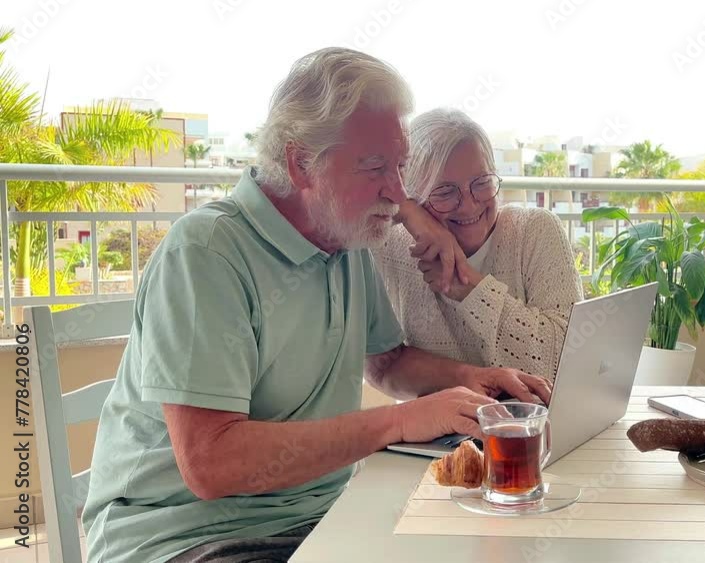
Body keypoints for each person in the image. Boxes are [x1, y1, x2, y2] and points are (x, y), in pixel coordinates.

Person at [81, 49, 551, 563]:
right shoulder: (206, 254)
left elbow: (387, 362)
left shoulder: (345, 237)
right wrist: (400, 422)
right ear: (300, 162)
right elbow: (211, 463)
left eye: (400, 166)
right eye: (375, 168)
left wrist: (471, 377)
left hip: (322, 518)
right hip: (188, 537)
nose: (397, 193)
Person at [375, 108, 584, 383]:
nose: (470, 205)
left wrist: (470, 289)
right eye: (445, 192)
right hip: (435, 423)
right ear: (414, 196)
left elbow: (568, 363)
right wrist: (406, 211)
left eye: (482, 183)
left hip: (531, 424)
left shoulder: (536, 231)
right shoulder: (390, 245)